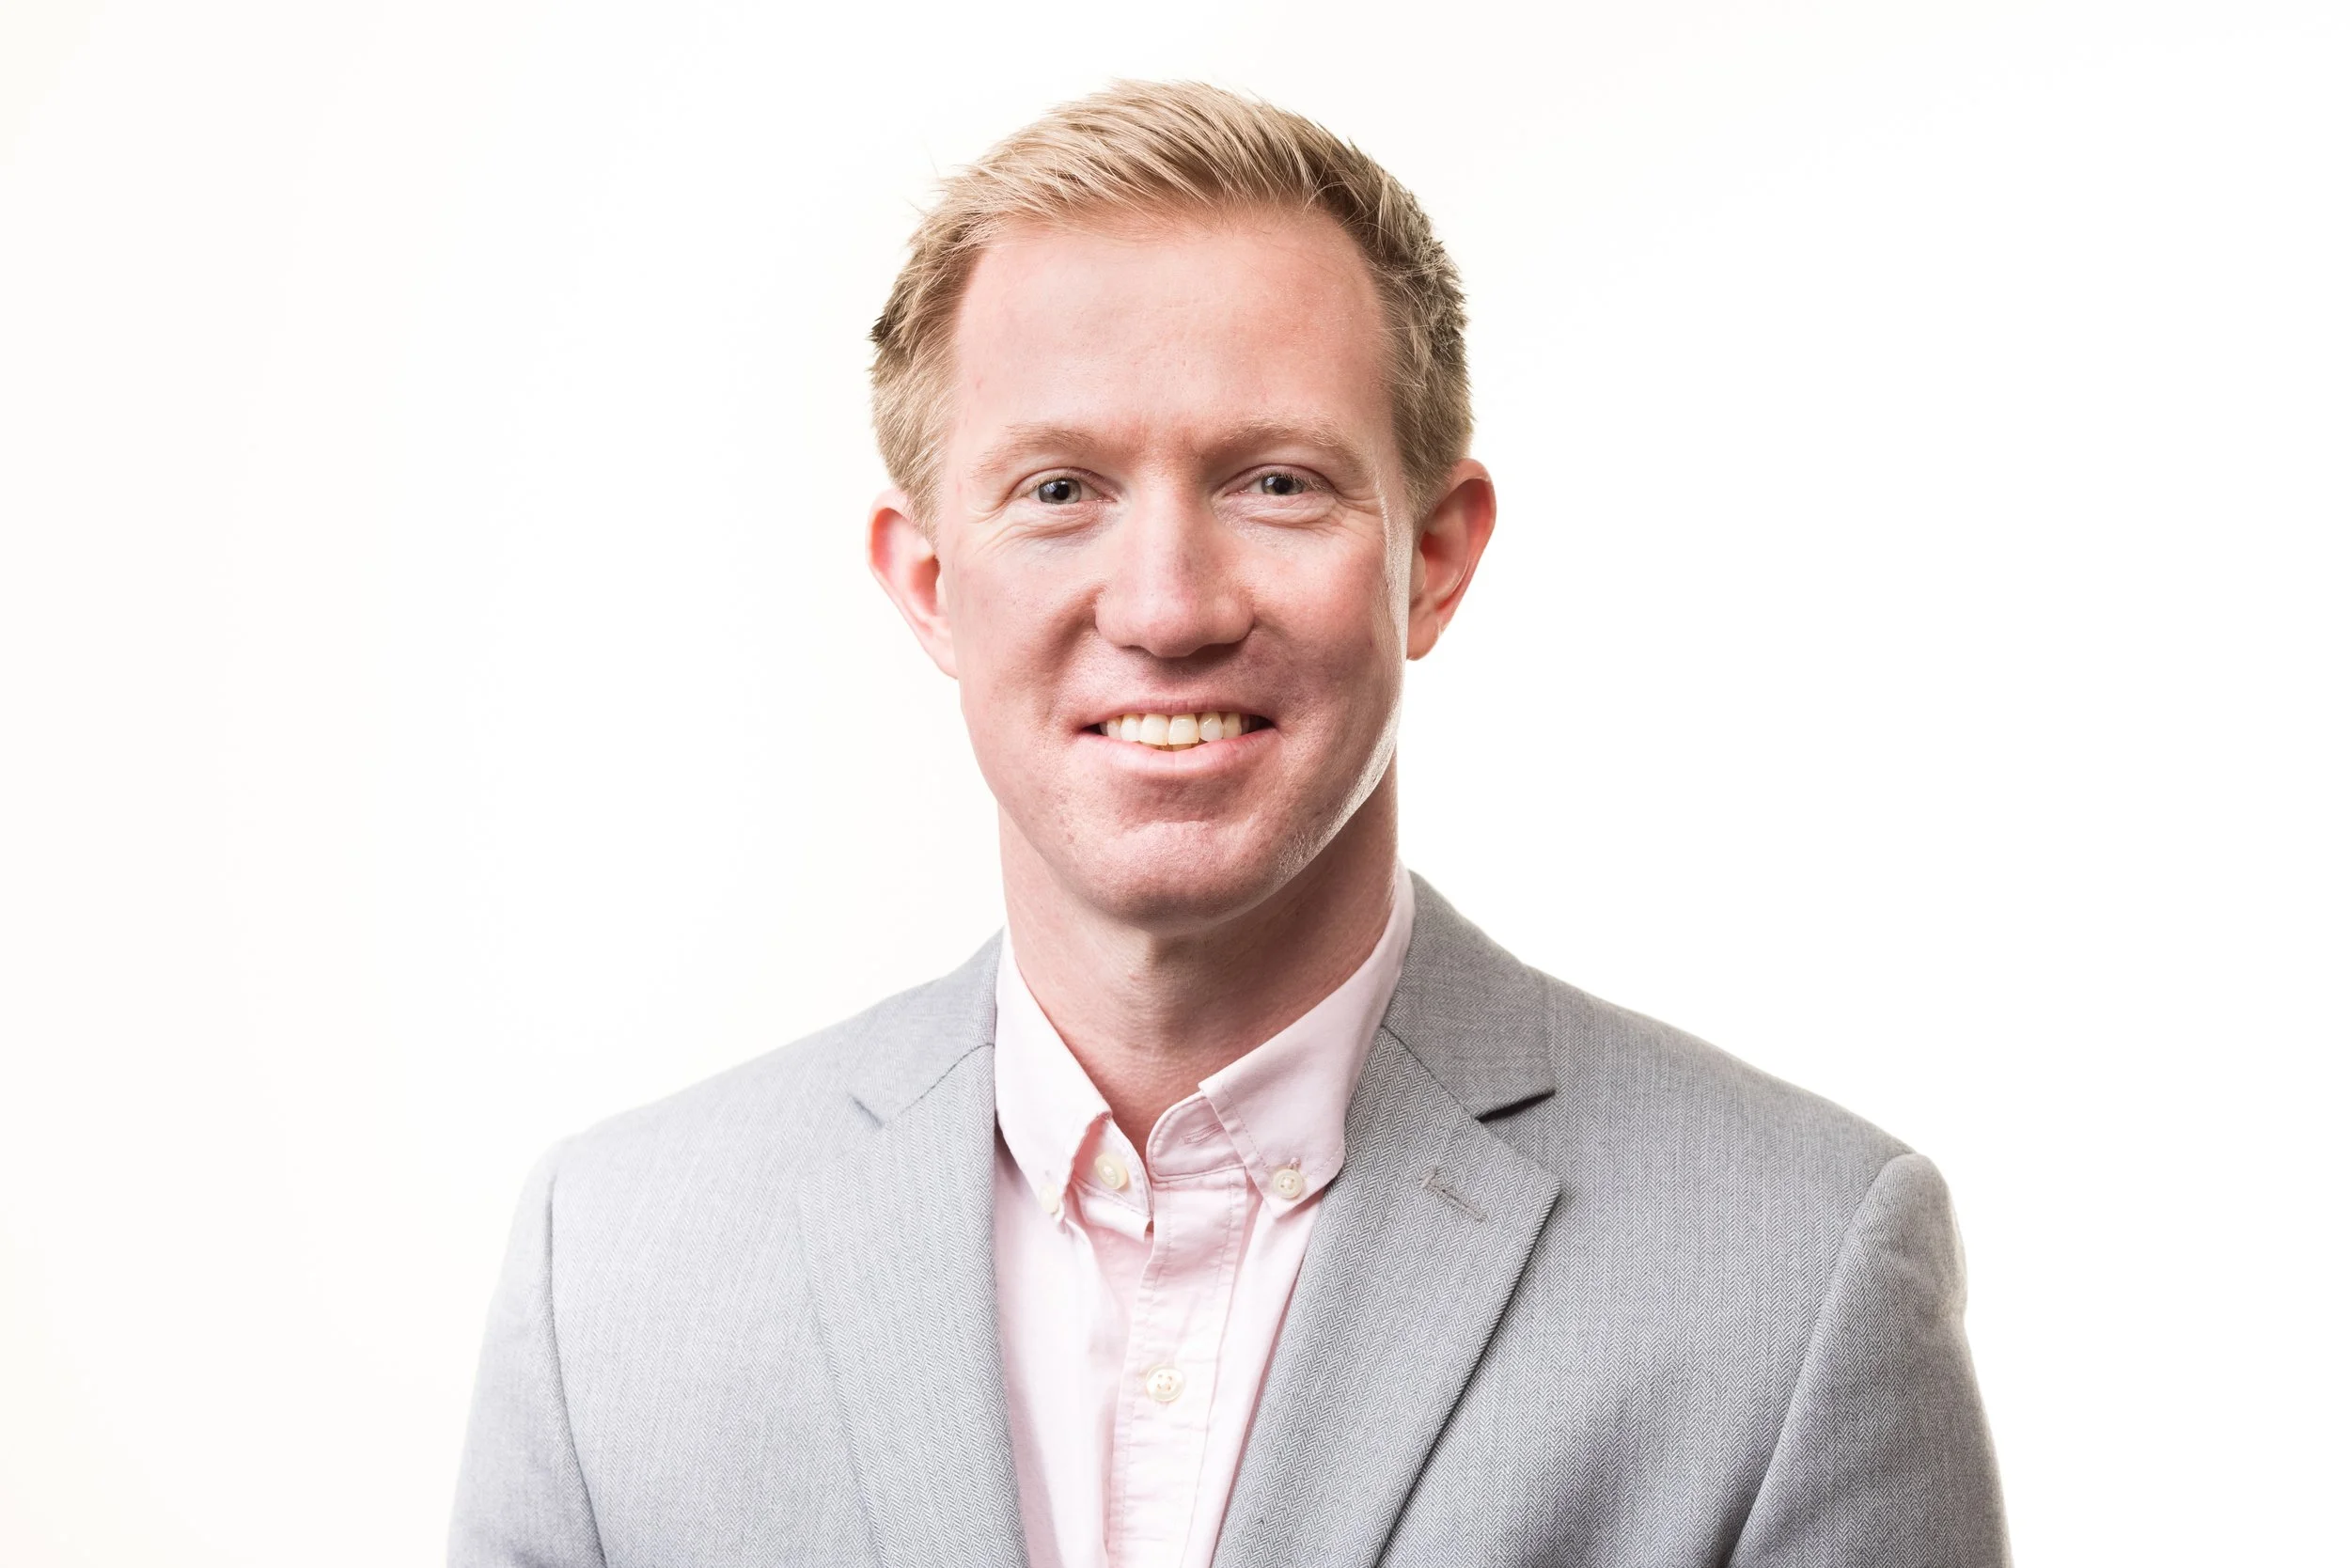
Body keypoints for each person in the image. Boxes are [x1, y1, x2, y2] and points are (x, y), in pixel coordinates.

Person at [449, 80, 2007, 1568]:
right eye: (1059, 490)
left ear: (1436, 560)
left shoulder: (1795, 1274)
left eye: (1273, 482)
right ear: (930, 586)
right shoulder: (615, 1278)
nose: (1166, 608)